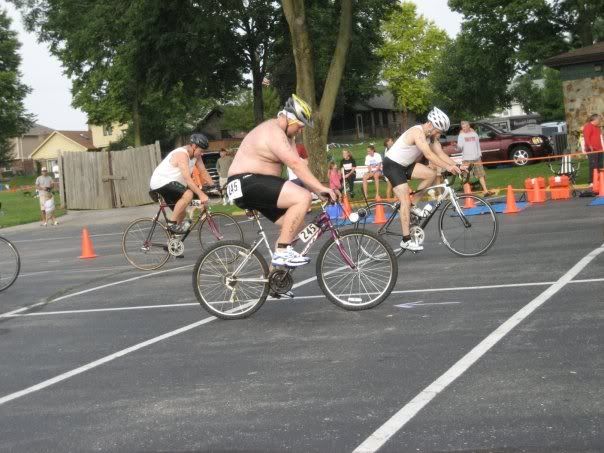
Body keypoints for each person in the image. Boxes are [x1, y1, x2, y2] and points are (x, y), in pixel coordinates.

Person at [227, 94, 335, 267]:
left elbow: (297, 167)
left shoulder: (287, 137)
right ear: (289, 119)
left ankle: (275, 279)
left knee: (294, 224)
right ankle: (282, 252)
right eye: (299, 126)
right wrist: (320, 188)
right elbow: (295, 163)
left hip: (253, 184)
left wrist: (318, 192)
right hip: (246, 181)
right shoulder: (273, 131)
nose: (300, 131)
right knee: (302, 197)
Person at [383, 107, 464, 251]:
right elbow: (429, 155)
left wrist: (456, 165)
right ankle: (406, 239)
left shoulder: (430, 136)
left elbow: (439, 153)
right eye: (438, 131)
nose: (438, 135)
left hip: (406, 165)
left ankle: (413, 204)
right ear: (431, 124)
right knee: (404, 201)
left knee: (431, 174)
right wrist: (447, 167)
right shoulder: (417, 132)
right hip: (392, 165)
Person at [149, 133, 213, 234]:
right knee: (189, 194)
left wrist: (214, 185)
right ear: (194, 146)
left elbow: (203, 171)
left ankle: (172, 244)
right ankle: (171, 224)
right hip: (161, 182)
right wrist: (201, 195)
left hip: (174, 184)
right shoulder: (182, 154)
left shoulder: (197, 156)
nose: (201, 154)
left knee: (181, 214)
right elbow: (187, 178)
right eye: (201, 151)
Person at [457, 120, 494, 197]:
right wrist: (457, 146)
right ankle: (467, 194)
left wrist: (479, 154)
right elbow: (460, 147)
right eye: (462, 127)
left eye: (465, 127)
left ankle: (485, 191)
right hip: (466, 159)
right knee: (466, 176)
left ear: (469, 126)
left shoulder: (474, 133)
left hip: (476, 158)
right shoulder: (461, 135)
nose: (464, 128)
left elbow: (477, 145)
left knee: (481, 174)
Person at [582, 113, 603, 190]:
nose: (600, 121)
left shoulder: (598, 128)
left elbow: (600, 138)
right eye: (599, 120)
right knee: (593, 165)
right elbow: (586, 137)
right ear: (595, 119)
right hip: (592, 149)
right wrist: (590, 146)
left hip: (599, 149)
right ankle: (591, 181)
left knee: (600, 165)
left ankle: (599, 180)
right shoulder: (588, 126)